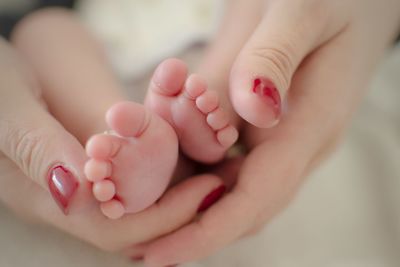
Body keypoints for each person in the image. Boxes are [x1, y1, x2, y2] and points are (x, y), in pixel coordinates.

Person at [0, 0, 399, 266]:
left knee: (259, 11)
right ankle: (112, 137)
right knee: (44, 30)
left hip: (221, 31)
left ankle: (215, 94)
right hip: (105, 37)